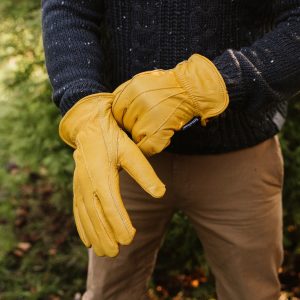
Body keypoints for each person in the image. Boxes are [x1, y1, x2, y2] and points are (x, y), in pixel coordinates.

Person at [42, 1, 300, 299]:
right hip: (122, 151)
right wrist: (82, 102)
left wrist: (214, 83)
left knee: (252, 293)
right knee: (109, 292)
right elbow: (69, 8)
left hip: (240, 156)